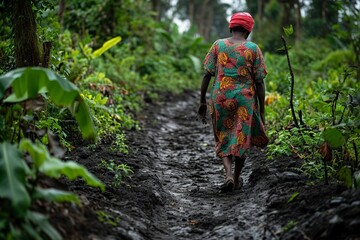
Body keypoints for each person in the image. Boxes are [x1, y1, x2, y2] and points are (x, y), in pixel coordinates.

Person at [198, 12, 268, 192]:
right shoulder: (253, 48)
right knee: (241, 138)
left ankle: (228, 174)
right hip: (245, 99)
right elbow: (259, 81)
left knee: (223, 134)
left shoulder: (218, 45)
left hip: (220, 97)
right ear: (248, 30)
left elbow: (207, 74)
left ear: (231, 27)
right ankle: (236, 179)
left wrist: (202, 102)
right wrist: (261, 109)